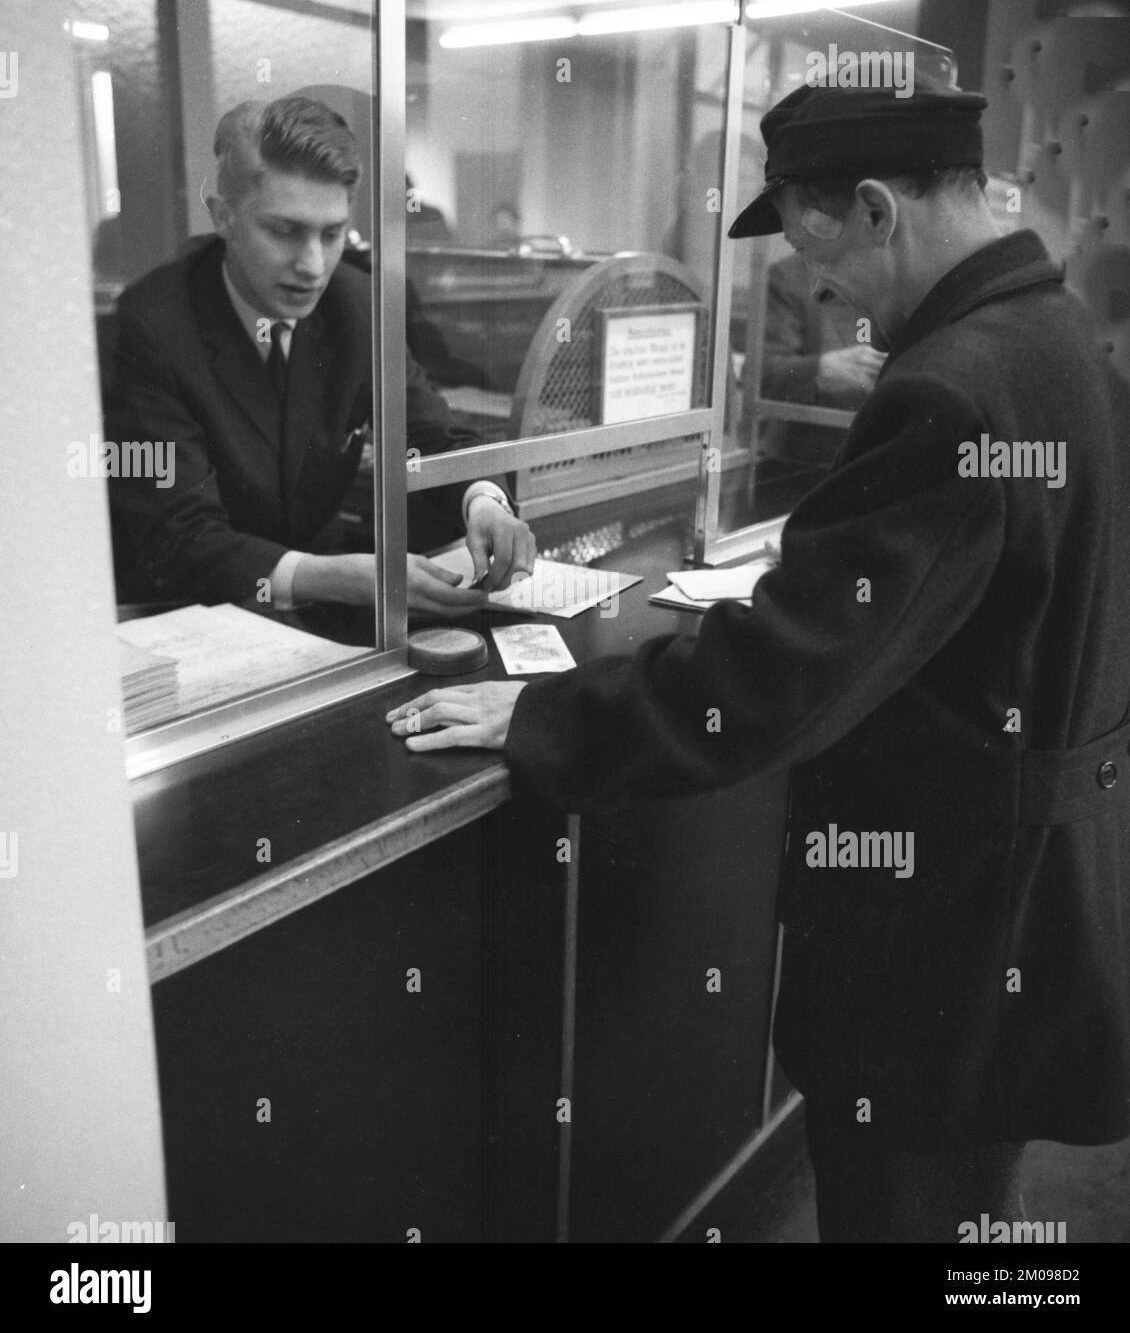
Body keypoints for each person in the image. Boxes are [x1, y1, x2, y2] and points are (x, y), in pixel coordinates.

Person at [388, 80, 1130, 1240]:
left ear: (877, 210)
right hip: (1023, 910)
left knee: (908, 1216)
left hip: (943, 931)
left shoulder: (947, 388)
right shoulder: (1050, 331)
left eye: (815, 248)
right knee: (970, 1217)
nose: (819, 289)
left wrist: (537, 717)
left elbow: (773, 683)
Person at [105, 96, 534, 616]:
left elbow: (434, 436)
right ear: (224, 217)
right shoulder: (153, 325)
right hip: (190, 616)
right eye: (285, 231)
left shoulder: (357, 304)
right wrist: (327, 575)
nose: (312, 265)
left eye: (331, 234)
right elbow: (178, 536)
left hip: (319, 601)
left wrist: (484, 500)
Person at [759, 251, 885, 465]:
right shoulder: (791, 276)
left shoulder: (903, 273)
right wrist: (823, 370)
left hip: (880, 456)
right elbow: (762, 375)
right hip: (806, 459)